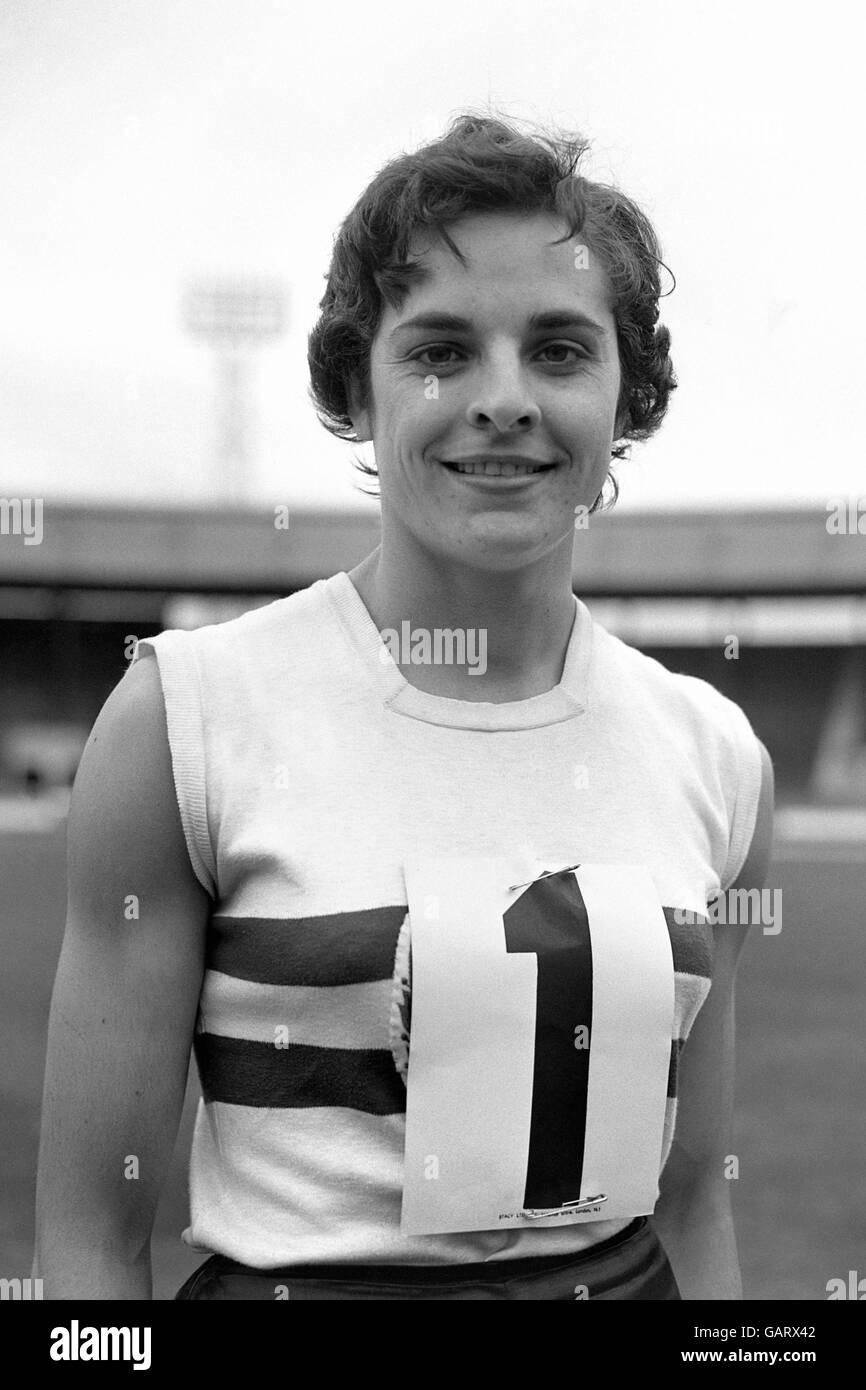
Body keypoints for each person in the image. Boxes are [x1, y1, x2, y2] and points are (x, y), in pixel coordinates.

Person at [33, 112, 774, 1301]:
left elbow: (690, 1201)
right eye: (437, 350)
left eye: (559, 349)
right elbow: (85, 1250)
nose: (502, 398)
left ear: (628, 396)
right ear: (353, 385)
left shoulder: (716, 754)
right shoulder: (184, 718)